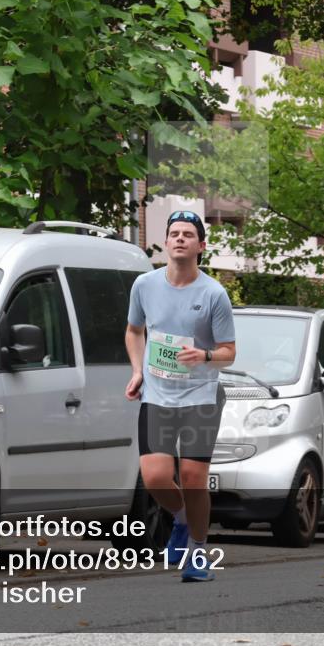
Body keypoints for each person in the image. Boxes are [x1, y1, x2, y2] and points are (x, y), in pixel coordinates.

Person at [125, 210, 236, 582]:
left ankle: (198, 553)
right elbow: (133, 331)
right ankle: (183, 519)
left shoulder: (214, 294)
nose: (180, 239)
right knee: (155, 477)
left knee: (192, 477)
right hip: (156, 394)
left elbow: (228, 352)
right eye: (174, 233)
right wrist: (138, 370)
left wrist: (204, 355)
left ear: (201, 245)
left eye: (188, 234)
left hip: (199, 396)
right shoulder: (144, 285)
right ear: (167, 241)